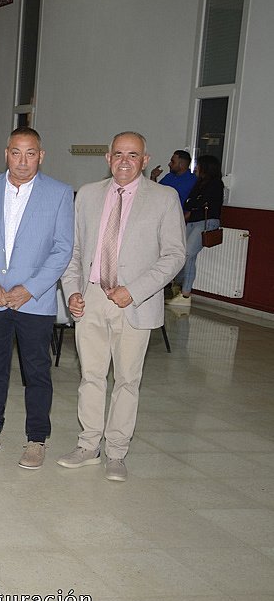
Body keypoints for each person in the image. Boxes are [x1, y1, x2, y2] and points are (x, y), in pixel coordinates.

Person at [58, 132, 184, 481]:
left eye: (133, 155)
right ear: (108, 158)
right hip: (92, 297)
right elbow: (73, 251)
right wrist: (72, 291)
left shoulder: (164, 198)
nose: (124, 161)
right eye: (118, 154)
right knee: (90, 376)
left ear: (145, 160)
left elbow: (175, 255)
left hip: (134, 300)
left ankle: (116, 452)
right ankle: (88, 445)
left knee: (127, 380)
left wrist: (135, 290)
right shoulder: (87, 194)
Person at [0, 127, 73, 468]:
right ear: (6, 153)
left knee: (36, 371)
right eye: (16, 153)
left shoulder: (59, 193)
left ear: (41, 155)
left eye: (30, 153)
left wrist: (30, 288)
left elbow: (62, 249)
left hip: (34, 300)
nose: (23, 161)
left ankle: (37, 439)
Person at [169, 154, 224, 307]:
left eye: (198, 165)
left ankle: (185, 294)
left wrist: (194, 203)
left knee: (188, 255)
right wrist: (194, 203)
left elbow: (200, 202)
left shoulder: (216, 184)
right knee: (181, 253)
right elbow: (190, 202)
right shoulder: (199, 182)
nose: (196, 168)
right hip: (193, 221)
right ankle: (178, 286)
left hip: (206, 222)